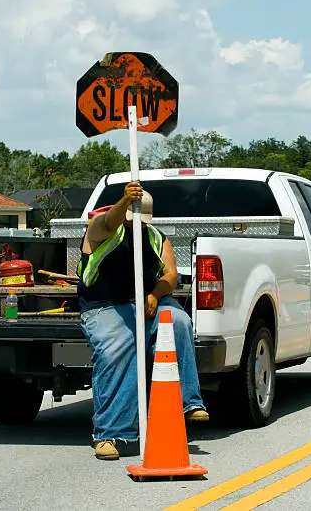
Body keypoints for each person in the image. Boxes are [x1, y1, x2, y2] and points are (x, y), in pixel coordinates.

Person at [77, 181, 209, 461]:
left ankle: (189, 402)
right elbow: (109, 222)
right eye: (131, 218)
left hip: (146, 300)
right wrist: (124, 202)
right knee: (120, 345)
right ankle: (109, 434)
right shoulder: (100, 228)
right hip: (104, 305)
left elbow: (170, 276)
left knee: (178, 321)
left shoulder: (155, 237)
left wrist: (154, 294)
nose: (137, 225)